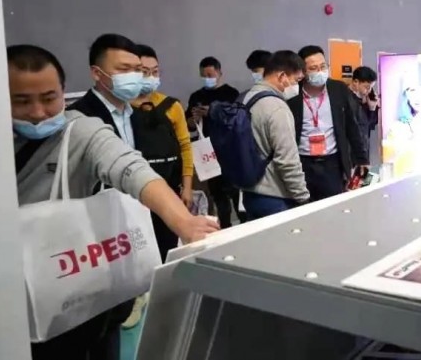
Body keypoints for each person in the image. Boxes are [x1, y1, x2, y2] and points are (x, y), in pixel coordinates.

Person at [10, 44, 218, 360]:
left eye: (49, 98)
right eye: (22, 101)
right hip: (11, 291)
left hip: (73, 280)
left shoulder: (81, 129)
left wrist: (184, 221)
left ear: (63, 92)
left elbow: (132, 169)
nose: (38, 112)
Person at [130, 44, 194, 261]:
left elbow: (185, 146)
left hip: (170, 189)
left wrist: (187, 187)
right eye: (144, 72)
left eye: (155, 72)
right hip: (135, 196)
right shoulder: (122, 108)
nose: (150, 77)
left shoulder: (171, 106)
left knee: (168, 246)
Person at [289, 45, 369, 201]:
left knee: (332, 205)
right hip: (302, 162)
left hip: (332, 162)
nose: (320, 71)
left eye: (323, 66)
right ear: (303, 71)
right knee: (303, 207)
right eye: (313, 68)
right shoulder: (293, 93)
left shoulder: (338, 89)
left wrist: (362, 158)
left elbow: (351, 125)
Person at [240, 51, 310, 219]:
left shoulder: (247, 98)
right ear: (282, 76)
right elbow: (287, 160)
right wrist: (303, 197)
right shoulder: (277, 108)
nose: (297, 86)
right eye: (296, 80)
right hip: (275, 196)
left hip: (249, 192)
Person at [187, 57, 241, 228]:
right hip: (208, 153)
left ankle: (244, 222)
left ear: (219, 73)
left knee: (237, 192)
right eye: (203, 75)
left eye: (210, 75)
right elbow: (188, 125)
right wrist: (194, 119)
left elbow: (238, 120)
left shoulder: (231, 93)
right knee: (217, 195)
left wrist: (212, 112)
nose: (207, 78)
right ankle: (225, 226)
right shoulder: (196, 96)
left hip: (230, 151)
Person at [348, 66, 380, 162]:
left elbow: (370, 125)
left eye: (371, 88)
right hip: (350, 153)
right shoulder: (346, 99)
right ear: (356, 82)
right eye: (367, 87)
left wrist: (372, 108)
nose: (369, 91)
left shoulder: (363, 100)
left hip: (363, 150)